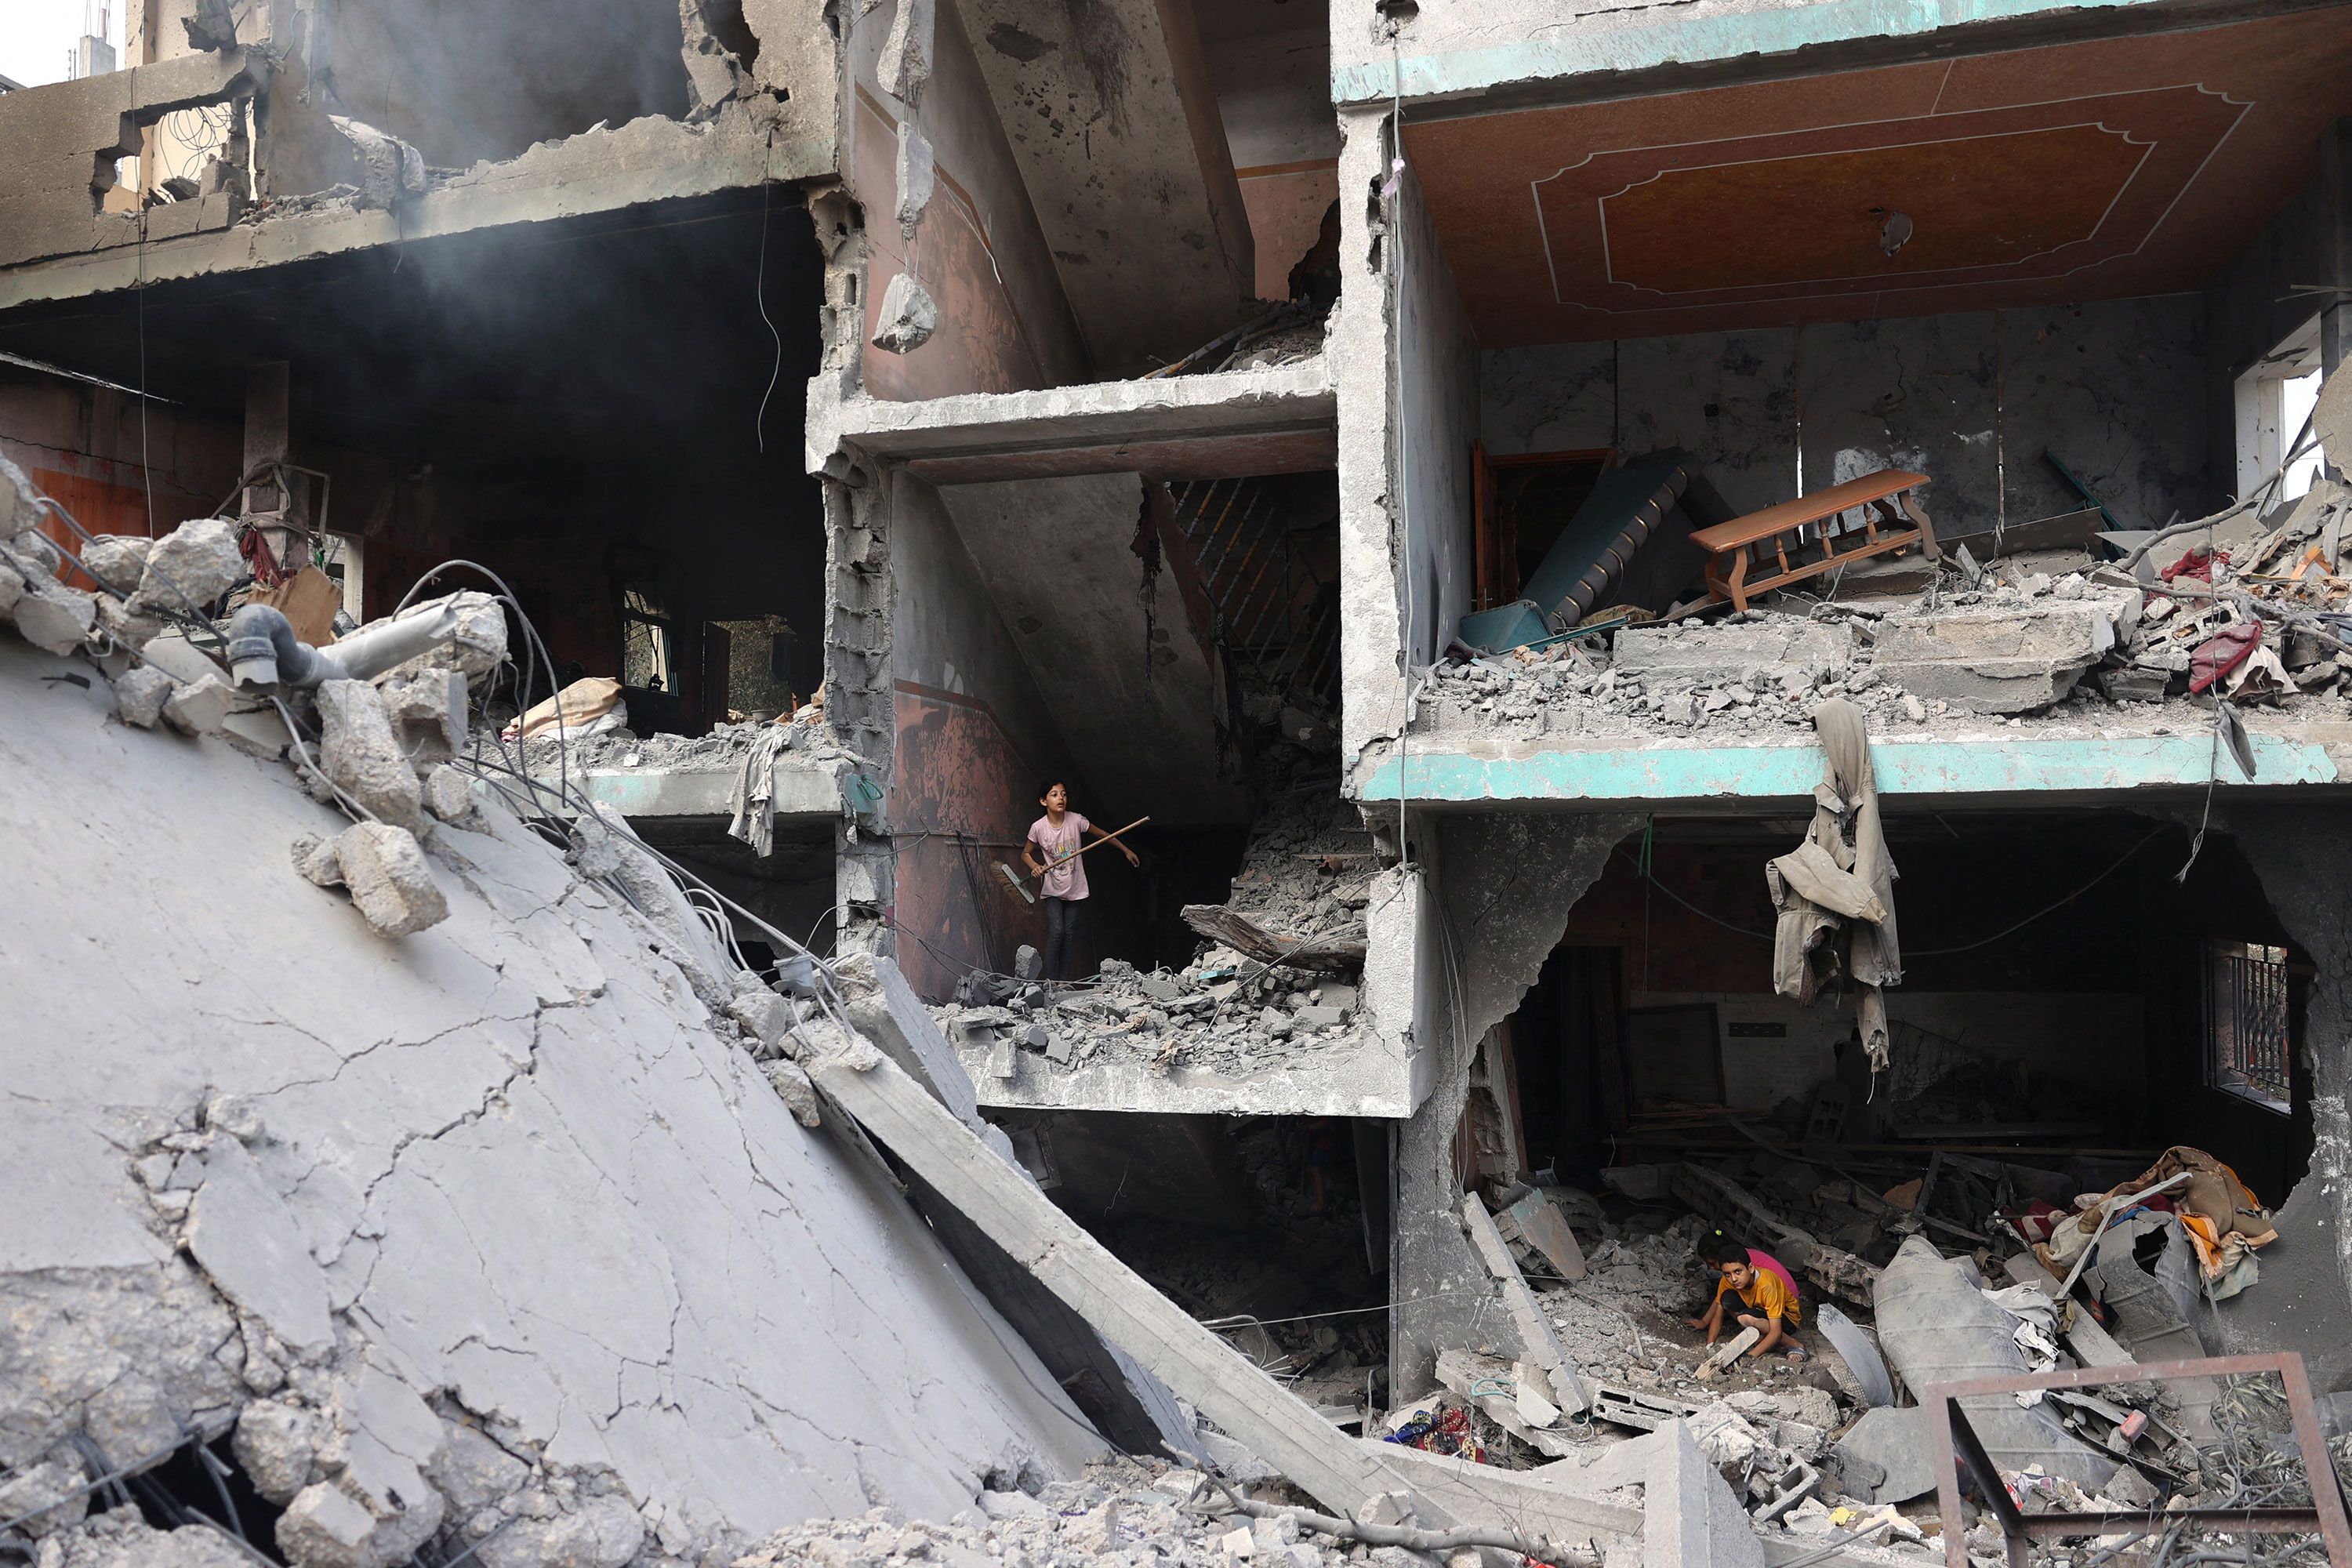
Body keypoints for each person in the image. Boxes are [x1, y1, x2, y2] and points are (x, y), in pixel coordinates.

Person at [1022, 781, 1138, 981]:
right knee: (1057, 930)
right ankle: (1049, 981)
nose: (1061, 798)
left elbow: (1102, 834)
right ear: (1043, 801)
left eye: (1064, 794)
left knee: (1067, 934)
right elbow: (1025, 853)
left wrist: (1126, 850)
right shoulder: (1038, 828)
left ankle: (1062, 983)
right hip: (1052, 889)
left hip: (1076, 889)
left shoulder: (1076, 820)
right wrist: (1034, 866)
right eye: (1054, 794)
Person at [1690, 1230, 1804, 1360]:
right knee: (1727, 1299)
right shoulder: (1729, 1277)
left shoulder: (1766, 1283)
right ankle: (1764, 1336)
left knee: (1746, 1318)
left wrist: (1751, 1356)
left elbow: (1776, 1332)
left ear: (1750, 1268)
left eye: (1738, 1272)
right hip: (1763, 1307)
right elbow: (1718, 1315)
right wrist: (1708, 1348)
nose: (1733, 1279)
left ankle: (1793, 1343)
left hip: (1786, 1315)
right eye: (1727, 1274)